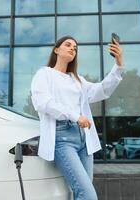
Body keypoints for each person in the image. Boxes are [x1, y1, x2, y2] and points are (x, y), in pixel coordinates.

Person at [31, 35, 123, 200]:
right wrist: (75, 116)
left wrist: (118, 65)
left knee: (81, 194)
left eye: (75, 47)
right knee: (87, 195)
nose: (73, 48)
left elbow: (102, 90)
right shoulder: (44, 74)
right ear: (56, 50)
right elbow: (42, 103)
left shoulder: (76, 79)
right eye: (68, 45)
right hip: (62, 138)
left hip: (84, 140)